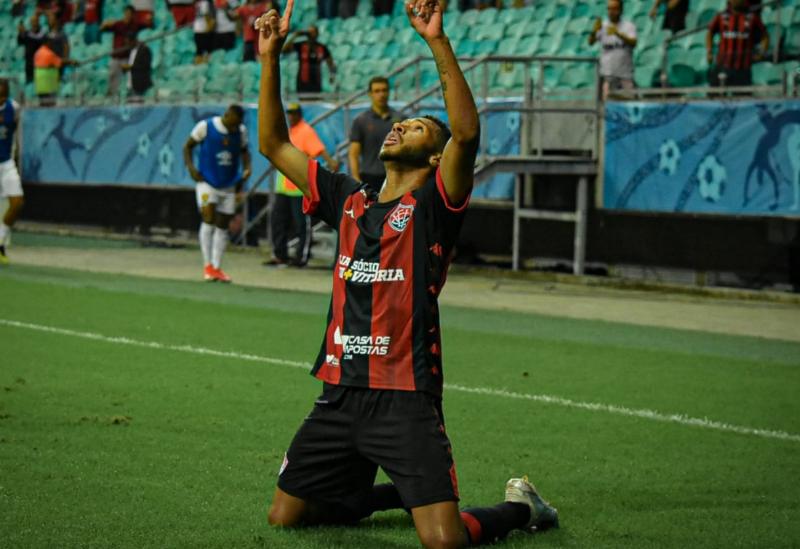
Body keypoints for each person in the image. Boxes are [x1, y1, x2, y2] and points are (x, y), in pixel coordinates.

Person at [255, 1, 560, 547]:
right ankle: (399, 492)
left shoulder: (434, 207)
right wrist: (270, 59)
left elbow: (466, 134)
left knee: (443, 541)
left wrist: (436, 41)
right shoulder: (348, 200)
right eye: (401, 122)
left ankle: (521, 509)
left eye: (415, 126)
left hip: (406, 396)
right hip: (340, 391)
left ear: (435, 156)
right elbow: (275, 145)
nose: (398, 125)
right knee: (286, 518)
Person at [183, 105, 252, 283]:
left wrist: (247, 168)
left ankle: (216, 267)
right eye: (233, 123)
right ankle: (207, 265)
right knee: (208, 217)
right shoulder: (205, 126)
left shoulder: (241, 131)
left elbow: (244, 151)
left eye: (238, 124)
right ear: (227, 115)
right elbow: (188, 147)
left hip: (228, 184)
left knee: (223, 225)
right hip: (207, 182)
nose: (234, 128)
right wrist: (191, 168)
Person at [267, 102, 340, 267]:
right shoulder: (289, 131)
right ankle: (280, 255)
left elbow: (318, 149)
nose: (291, 116)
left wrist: (331, 162)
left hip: (298, 186)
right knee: (278, 221)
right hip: (283, 185)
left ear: (299, 114)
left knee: (301, 224)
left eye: (293, 113)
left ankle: (301, 257)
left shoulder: (305, 130)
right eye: (289, 113)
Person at [348, 76, 403, 192]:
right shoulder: (360, 121)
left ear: (389, 92)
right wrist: (356, 179)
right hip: (368, 178)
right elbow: (353, 154)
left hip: (395, 177)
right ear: (370, 94)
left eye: (384, 90)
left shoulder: (401, 119)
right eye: (377, 91)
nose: (381, 94)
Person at [706, 0, 768, 87]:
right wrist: (709, 51)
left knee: (743, 97)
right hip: (723, 65)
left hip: (743, 68)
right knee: (714, 96)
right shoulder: (721, 16)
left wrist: (761, 52)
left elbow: (765, 36)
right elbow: (710, 32)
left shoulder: (752, 17)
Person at [588, 0, 637, 99]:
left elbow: (633, 43)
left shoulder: (629, 26)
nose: (611, 11)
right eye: (609, 9)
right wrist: (594, 31)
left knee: (629, 103)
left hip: (625, 74)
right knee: (607, 104)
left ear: (621, 10)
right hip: (608, 74)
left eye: (614, 9)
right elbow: (590, 42)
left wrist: (617, 33)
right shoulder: (603, 26)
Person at [0, 80, 23, 266]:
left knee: (17, 203)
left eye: (3, 95)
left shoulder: (13, 108)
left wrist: (16, 155)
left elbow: (15, 131)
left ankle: (0, 242)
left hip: (6, 163)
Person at [282, 25, 336, 95]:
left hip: (316, 82)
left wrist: (332, 75)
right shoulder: (301, 45)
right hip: (302, 82)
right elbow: (284, 50)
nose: (311, 34)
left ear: (317, 34)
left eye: (313, 32)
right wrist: (295, 36)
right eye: (309, 32)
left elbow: (331, 63)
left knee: (315, 103)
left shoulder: (322, 47)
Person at [101, 5, 140, 95]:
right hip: (116, 57)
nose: (128, 15)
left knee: (129, 78)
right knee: (112, 76)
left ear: (133, 15)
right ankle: (111, 95)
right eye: (126, 13)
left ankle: (130, 94)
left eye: (130, 13)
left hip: (127, 57)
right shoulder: (118, 24)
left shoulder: (134, 26)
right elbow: (103, 29)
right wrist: (105, 24)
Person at [33, 37, 65, 105]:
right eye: (51, 43)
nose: (52, 45)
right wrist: (71, 62)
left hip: (40, 83)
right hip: (48, 82)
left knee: (42, 102)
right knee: (50, 103)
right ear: (47, 43)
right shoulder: (49, 53)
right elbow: (59, 62)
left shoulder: (38, 52)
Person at [18, 14, 47, 85]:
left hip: (40, 63)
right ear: (30, 23)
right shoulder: (27, 33)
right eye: (32, 21)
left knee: (40, 83)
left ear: (38, 22)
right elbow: (20, 42)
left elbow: (42, 44)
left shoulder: (43, 34)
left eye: (35, 21)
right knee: (29, 83)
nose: (34, 23)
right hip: (29, 64)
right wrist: (21, 33)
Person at [121, 34, 152, 100]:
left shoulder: (145, 50)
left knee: (139, 107)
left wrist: (130, 67)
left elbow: (146, 66)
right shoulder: (130, 50)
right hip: (130, 84)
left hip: (140, 84)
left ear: (133, 41)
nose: (127, 45)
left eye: (128, 43)